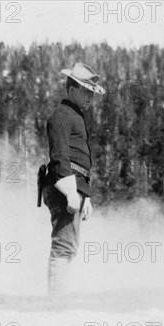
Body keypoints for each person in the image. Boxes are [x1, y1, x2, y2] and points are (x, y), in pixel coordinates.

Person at [42, 62, 105, 295]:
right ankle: (55, 301)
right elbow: (60, 156)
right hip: (64, 184)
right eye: (85, 91)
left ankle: (57, 297)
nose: (90, 97)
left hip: (74, 184)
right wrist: (69, 191)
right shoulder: (61, 116)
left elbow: (81, 164)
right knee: (64, 243)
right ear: (71, 90)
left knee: (69, 245)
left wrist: (84, 196)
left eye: (91, 93)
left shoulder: (73, 116)